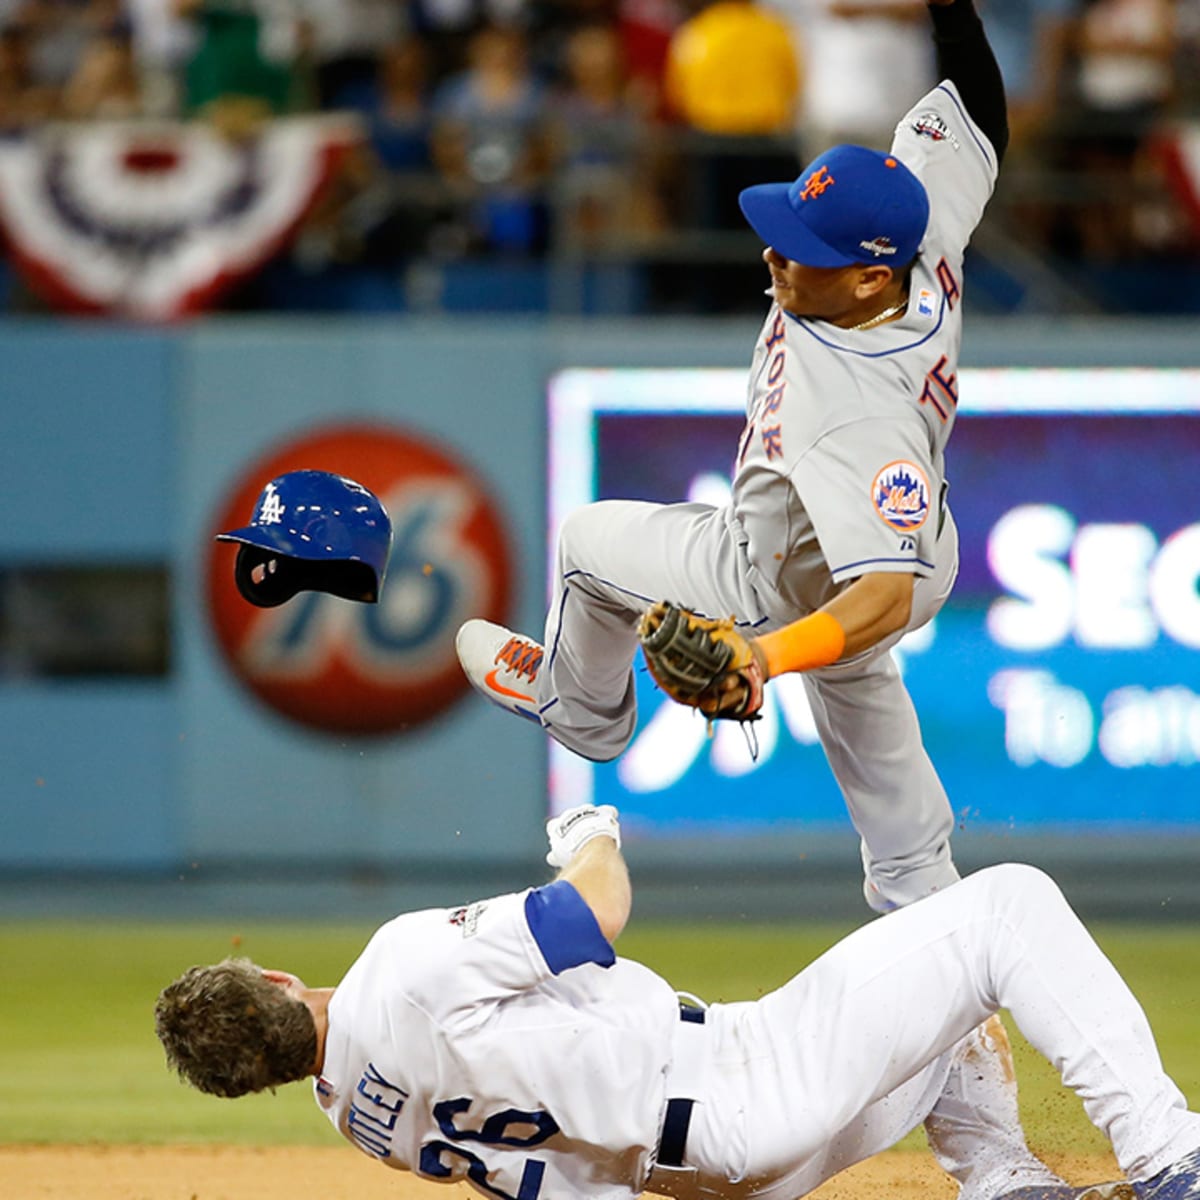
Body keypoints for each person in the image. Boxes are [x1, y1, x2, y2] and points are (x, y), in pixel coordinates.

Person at [456, 0, 1006, 917]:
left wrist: (760, 656)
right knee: (909, 852)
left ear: (871, 276)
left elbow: (882, 598)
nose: (777, 253)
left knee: (587, 541)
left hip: (778, 579)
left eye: (804, 250)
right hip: (908, 542)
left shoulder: (850, 409)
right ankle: (961, 1014)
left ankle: (579, 710)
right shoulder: (920, 213)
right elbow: (979, 109)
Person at [156, 802, 1200, 1200]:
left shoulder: (354, 1117)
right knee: (1007, 908)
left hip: (711, 1174)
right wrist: (587, 831)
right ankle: (1169, 1161)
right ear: (279, 980)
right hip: (741, 1081)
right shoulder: (397, 966)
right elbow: (594, 911)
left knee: (943, 999)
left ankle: (1011, 1185)